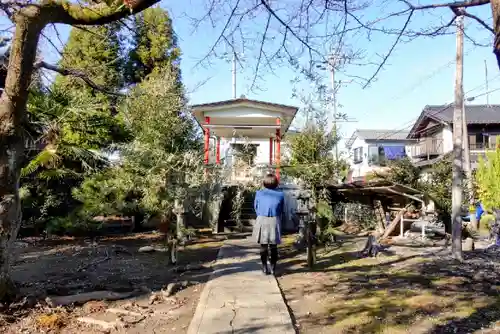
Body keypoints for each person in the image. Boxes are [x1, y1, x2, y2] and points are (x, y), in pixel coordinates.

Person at [252, 173, 284, 275]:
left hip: (261, 218)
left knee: (263, 245)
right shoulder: (281, 194)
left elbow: (256, 207)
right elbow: (281, 209)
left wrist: (261, 214)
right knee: (274, 246)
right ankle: (273, 268)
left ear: (264, 182)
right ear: (276, 183)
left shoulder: (259, 193)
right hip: (274, 219)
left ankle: (265, 267)